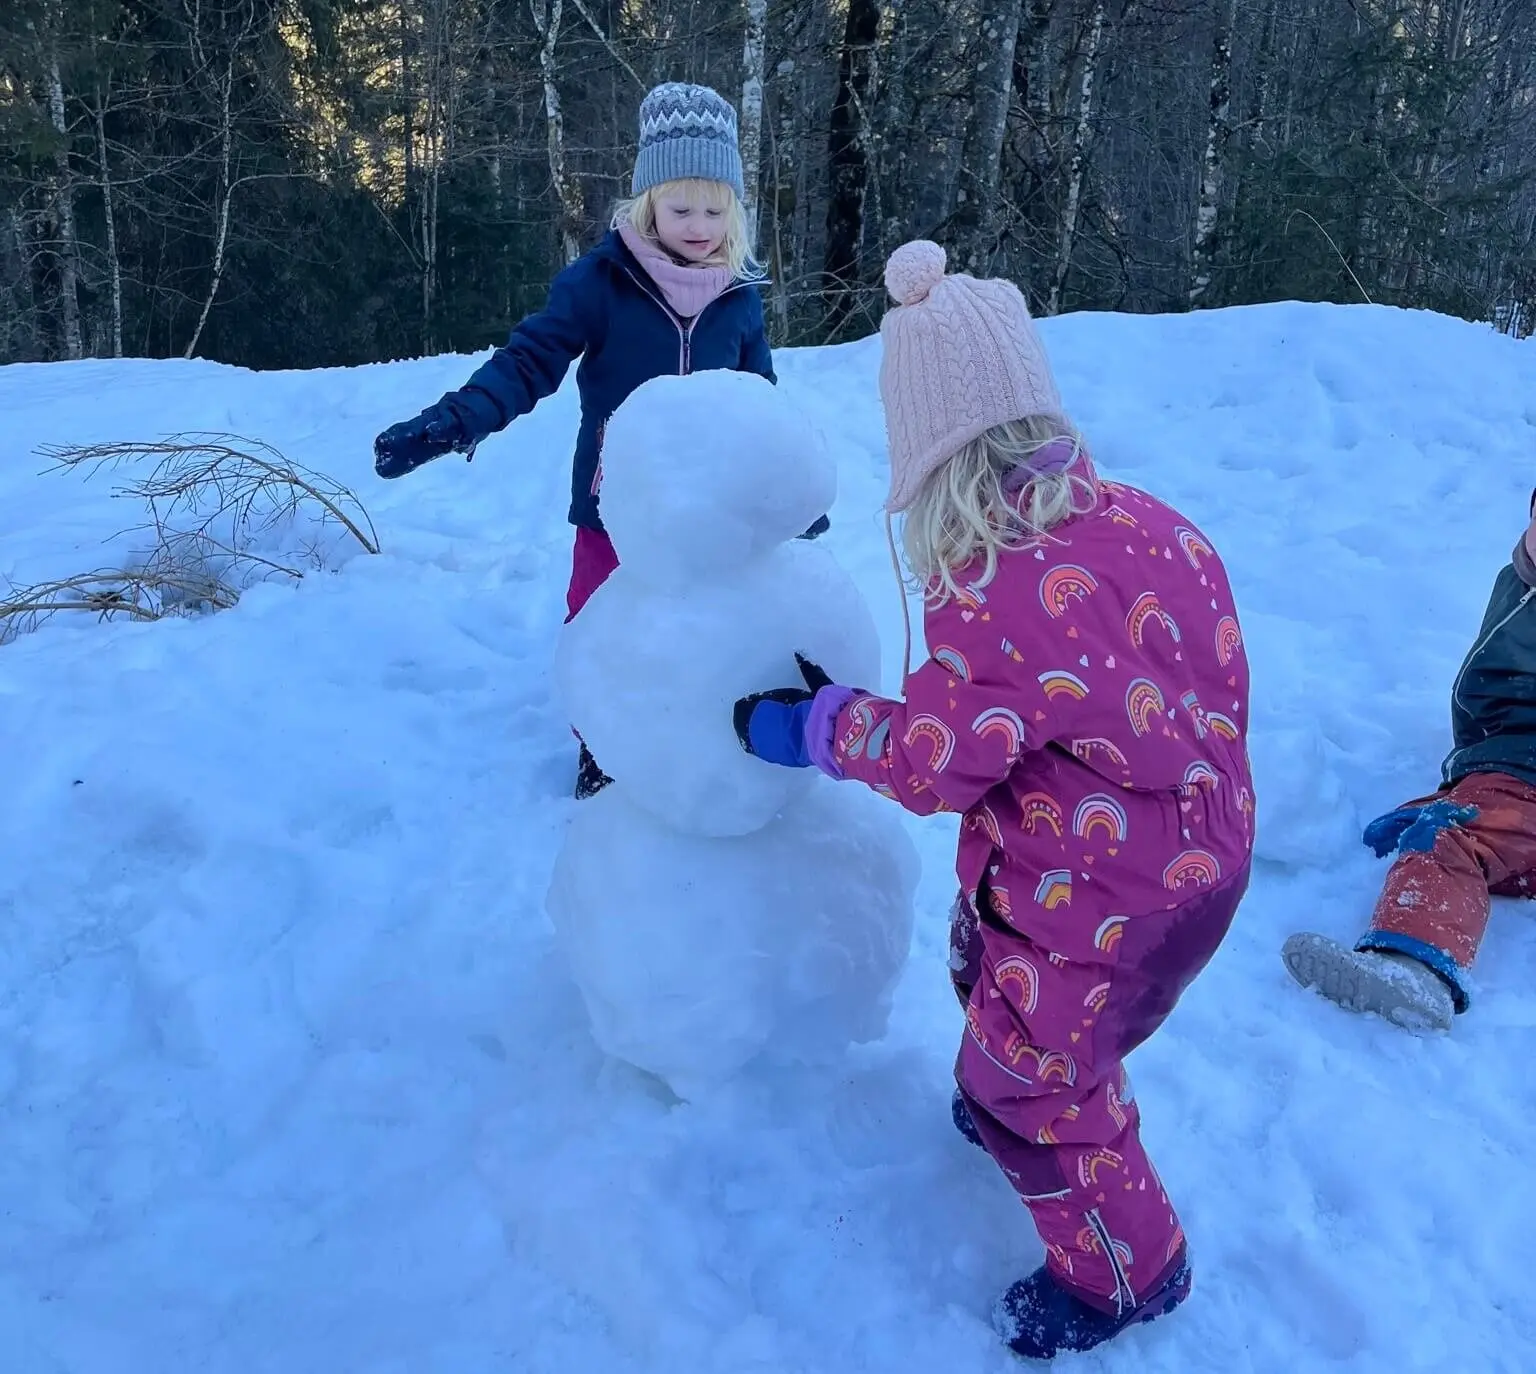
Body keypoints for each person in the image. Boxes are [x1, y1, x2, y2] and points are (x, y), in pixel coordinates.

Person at [731, 241, 1255, 1360]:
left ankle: (1131, 1272)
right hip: (1190, 855)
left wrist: (819, 725)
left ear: (929, 460)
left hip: (1102, 898)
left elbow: (932, 761)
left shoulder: (994, 592)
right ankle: (1014, 1082)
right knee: (990, 968)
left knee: (1044, 1084)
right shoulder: (1154, 523)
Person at [372, 81, 809, 799]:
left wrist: (788, 493)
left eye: (713, 208)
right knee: (600, 627)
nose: (698, 225)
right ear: (645, 203)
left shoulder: (738, 297)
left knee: (698, 626)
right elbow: (529, 360)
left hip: (710, 510)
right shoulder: (600, 282)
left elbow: (759, 403)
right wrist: (459, 418)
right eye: (679, 207)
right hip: (616, 504)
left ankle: (689, 726)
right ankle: (601, 744)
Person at [1283, 489, 1536, 1031]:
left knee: (1450, 835)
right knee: (1448, 827)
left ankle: (1414, 967)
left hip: (1522, 777)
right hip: (1507, 773)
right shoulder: (1519, 584)